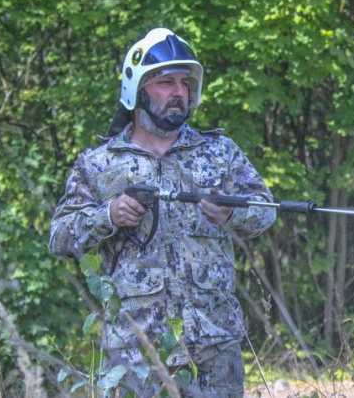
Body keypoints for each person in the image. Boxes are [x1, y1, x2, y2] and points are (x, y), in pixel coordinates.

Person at [49, 28, 276, 397]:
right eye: (166, 83)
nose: (179, 93)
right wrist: (109, 216)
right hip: (136, 354)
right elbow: (59, 236)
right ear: (137, 89)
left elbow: (266, 211)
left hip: (214, 347)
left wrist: (230, 213)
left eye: (185, 84)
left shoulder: (219, 152)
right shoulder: (99, 163)